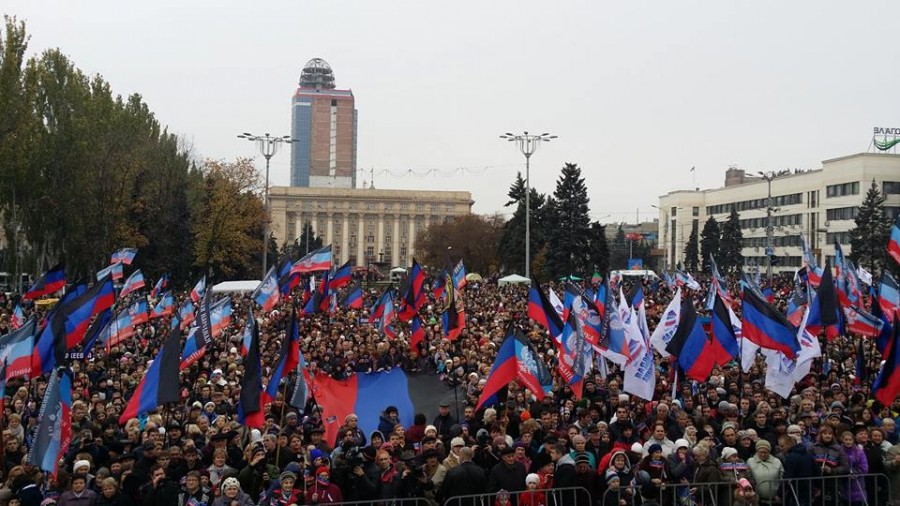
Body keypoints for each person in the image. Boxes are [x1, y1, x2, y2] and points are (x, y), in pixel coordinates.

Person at [746, 439, 782, 505]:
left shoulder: (777, 462)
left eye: (765, 452)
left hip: (775, 499)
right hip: (757, 500)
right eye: (760, 452)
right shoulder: (750, 461)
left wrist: (780, 494)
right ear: (757, 451)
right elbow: (748, 478)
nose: (763, 455)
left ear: (769, 452)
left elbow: (783, 479)